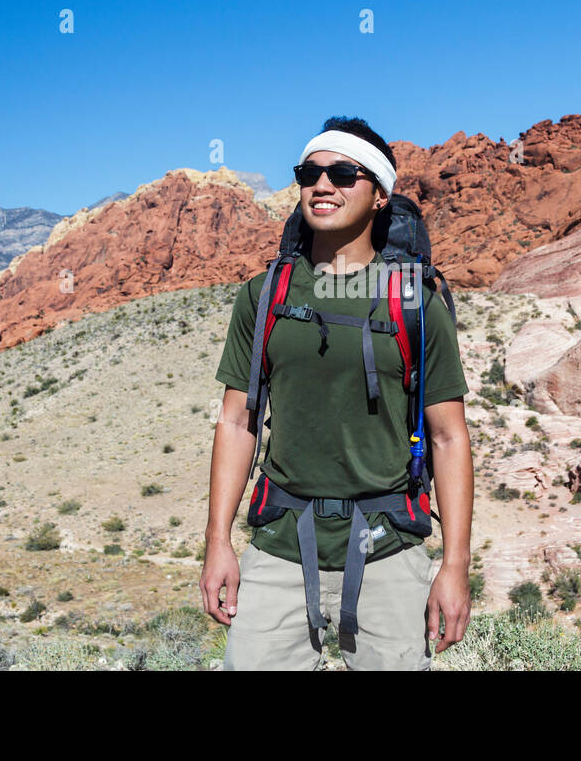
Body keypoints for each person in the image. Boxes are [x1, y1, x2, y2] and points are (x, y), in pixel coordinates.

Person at [200, 116, 474, 670]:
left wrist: (454, 566)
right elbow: (236, 422)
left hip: (387, 551)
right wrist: (218, 542)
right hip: (279, 545)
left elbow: (448, 437)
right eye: (310, 173)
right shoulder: (264, 294)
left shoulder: (416, 301)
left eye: (344, 174)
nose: (322, 185)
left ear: (379, 195)